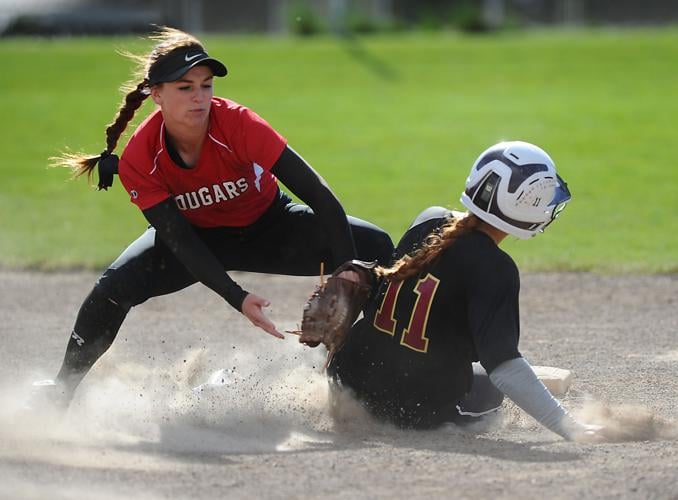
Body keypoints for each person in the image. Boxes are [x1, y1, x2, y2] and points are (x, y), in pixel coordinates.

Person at [38, 27, 393, 409]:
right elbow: (181, 242)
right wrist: (235, 296)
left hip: (272, 228)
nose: (199, 97)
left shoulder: (238, 124)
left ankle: (378, 371)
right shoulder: (142, 156)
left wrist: (345, 270)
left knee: (375, 247)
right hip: (197, 238)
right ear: (156, 95)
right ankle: (61, 391)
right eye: (184, 87)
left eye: (205, 85)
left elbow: (320, 197)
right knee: (111, 290)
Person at [327, 140, 603, 441]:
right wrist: (570, 427)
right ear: (527, 206)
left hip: (347, 378)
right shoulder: (498, 268)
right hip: (412, 408)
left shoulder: (428, 219)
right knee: (493, 389)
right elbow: (505, 369)